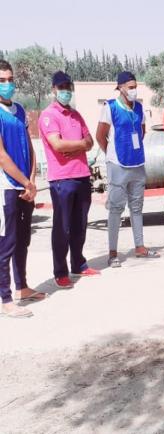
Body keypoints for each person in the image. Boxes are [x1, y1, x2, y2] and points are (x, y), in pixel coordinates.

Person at [38, 71, 101, 290]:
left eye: (69, 87)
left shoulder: (76, 115)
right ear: (54, 89)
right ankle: (60, 271)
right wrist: (79, 145)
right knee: (62, 227)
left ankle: (79, 264)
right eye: (62, 87)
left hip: (82, 175)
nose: (66, 91)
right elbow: (57, 145)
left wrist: (73, 145)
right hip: (62, 180)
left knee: (79, 225)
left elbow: (90, 141)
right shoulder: (48, 115)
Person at [96, 71, 159, 268]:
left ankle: (139, 246)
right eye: (130, 87)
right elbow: (100, 136)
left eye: (135, 86)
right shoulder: (110, 107)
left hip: (137, 163)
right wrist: (111, 154)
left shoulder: (139, 108)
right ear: (121, 88)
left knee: (137, 207)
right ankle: (113, 251)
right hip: (118, 164)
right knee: (115, 208)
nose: (133, 90)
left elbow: (141, 132)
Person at [0, 60, 38, 318]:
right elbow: (2, 157)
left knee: (24, 240)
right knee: (7, 242)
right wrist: (24, 182)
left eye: (10, 79)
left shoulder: (21, 110)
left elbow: (30, 146)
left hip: (27, 186)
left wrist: (32, 180)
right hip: (7, 186)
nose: (8, 84)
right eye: (2, 81)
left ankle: (22, 286)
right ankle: (5, 298)